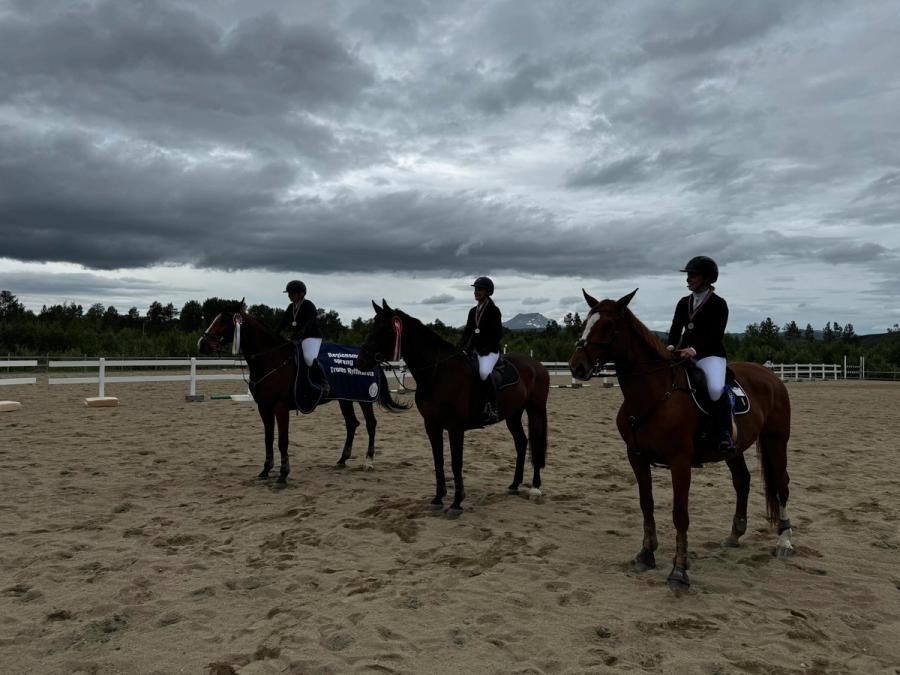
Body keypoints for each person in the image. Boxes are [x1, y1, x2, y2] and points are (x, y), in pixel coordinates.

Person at [666, 256, 735, 452]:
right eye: (688, 275)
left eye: (693, 275)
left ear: (707, 278)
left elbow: (715, 335)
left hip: (710, 355)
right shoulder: (683, 302)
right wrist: (671, 346)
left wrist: (694, 349)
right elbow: (675, 328)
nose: (688, 279)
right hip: (682, 353)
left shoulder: (719, 304)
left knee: (714, 389)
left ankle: (725, 434)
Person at [459, 276, 503, 424]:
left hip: (490, 351)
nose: (476, 292)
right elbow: (467, 332)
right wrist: (459, 347)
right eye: (475, 289)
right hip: (474, 350)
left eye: (480, 289)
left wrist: (486, 349)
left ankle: (493, 407)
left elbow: (497, 334)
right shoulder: (473, 311)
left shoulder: (494, 310)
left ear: (488, 292)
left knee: (484, 372)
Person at [275, 280, 329, 396]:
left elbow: (309, 323)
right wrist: (274, 332)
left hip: (312, 337)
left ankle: (324, 382)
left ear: (300, 294)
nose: (289, 296)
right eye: (289, 294)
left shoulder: (309, 305)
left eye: (291, 293)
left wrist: (300, 334)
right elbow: (283, 322)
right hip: (297, 338)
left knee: (309, 358)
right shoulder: (291, 307)